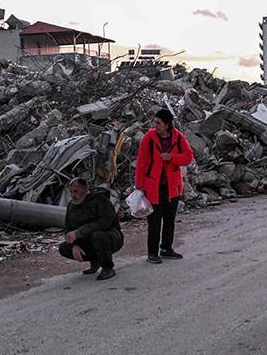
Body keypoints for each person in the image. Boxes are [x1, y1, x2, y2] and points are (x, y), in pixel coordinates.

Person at [135, 109, 194, 264]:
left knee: (169, 219)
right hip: (152, 187)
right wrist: (139, 187)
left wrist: (172, 158)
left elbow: (188, 157)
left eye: (158, 123)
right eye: (155, 122)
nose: (155, 126)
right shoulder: (149, 138)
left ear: (167, 124)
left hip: (171, 187)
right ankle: (152, 253)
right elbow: (141, 162)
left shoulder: (178, 138)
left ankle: (166, 249)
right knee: (154, 221)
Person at [58, 178, 124, 280]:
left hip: (110, 237)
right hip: (87, 240)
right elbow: (68, 228)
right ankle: (96, 260)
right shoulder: (71, 206)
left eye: (76, 191)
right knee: (63, 248)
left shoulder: (100, 200)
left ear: (85, 190)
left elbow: (105, 222)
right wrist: (74, 245)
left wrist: (79, 232)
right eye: (71, 192)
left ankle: (107, 267)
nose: (73, 195)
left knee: (98, 236)